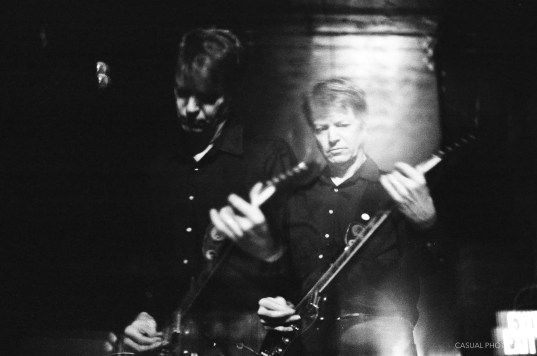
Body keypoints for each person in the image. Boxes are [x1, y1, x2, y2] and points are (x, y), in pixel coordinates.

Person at [210, 77, 445, 355]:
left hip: (378, 344)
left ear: (364, 127)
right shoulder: (292, 200)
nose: (332, 137)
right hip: (308, 346)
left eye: (343, 125)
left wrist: (428, 225)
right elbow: (277, 278)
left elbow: (436, 272)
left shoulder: (395, 192)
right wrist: (273, 304)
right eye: (321, 128)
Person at [105, 28, 295, 355]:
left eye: (207, 98)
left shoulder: (269, 158)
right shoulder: (154, 165)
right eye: (182, 93)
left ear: (231, 94)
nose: (190, 108)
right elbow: (135, 260)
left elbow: (304, 266)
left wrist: (271, 251)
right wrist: (140, 315)